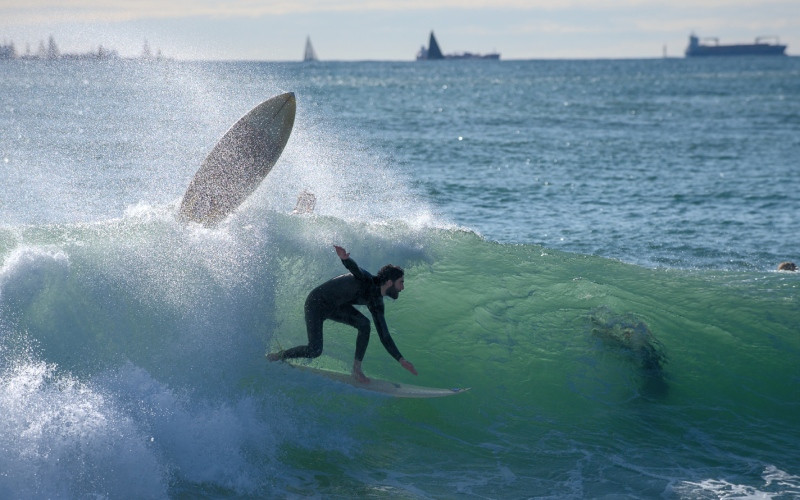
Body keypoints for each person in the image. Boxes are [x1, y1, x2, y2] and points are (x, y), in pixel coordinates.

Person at [267, 245, 417, 383]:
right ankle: (279, 355)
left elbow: (384, 334)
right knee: (314, 350)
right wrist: (345, 259)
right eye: (401, 282)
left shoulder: (376, 302)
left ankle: (356, 369)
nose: (402, 287)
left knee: (364, 325)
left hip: (335, 307)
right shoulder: (367, 280)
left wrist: (401, 359)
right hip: (316, 303)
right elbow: (356, 269)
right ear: (390, 282)